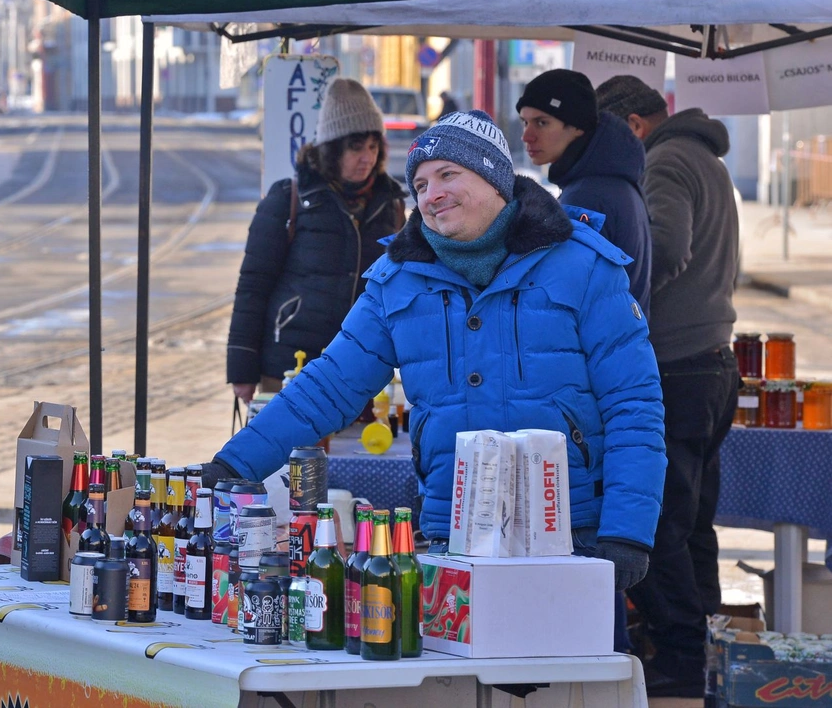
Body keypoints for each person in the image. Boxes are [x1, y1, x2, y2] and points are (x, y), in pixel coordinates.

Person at [207, 110, 667, 600]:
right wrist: (234, 465)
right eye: (421, 185)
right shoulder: (397, 280)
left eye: (448, 174)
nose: (432, 194)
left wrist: (627, 531)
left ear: (494, 178)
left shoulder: (584, 265)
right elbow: (328, 386)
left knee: (566, 653)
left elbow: (633, 403)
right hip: (455, 534)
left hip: (572, 533)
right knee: (460, 655)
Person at [596, 75, 740, 698]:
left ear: (632, 126)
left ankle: (681, 656)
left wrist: (612, 289)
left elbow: (668, 245)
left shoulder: (665, 160)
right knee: (694, 523)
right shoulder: (705, 158)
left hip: (677, 366)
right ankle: (708, 651)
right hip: (712, 363)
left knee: (657, 526)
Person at [227, 76, 405, 402]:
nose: (366, 157)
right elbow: (253, 286)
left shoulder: (390, 206)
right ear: (332, 149)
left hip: (358, 368)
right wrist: (242, 369)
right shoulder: (288, 199)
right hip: (288, 366)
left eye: (373, 146)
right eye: (355, 147)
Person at [517, 68, 652, 313]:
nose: (527, 136)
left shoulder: (588, 196)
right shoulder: (612, 180)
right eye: (525, 122)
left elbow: (564, 293)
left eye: (542, 122)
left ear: (578, 127)